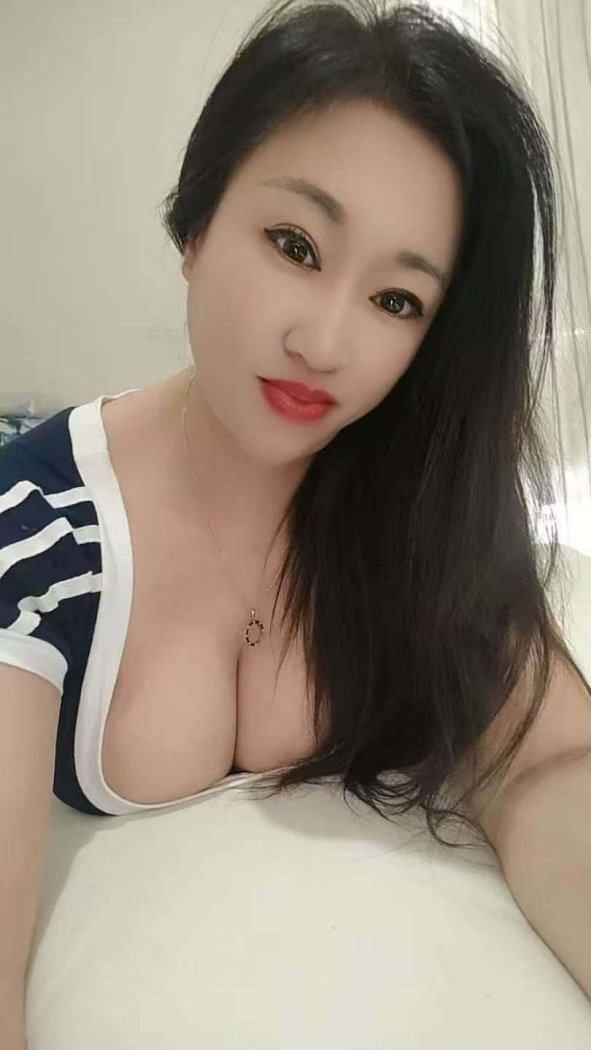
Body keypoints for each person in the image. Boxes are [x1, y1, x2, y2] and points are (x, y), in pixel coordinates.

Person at [2, 6, 591, 1023]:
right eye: (295, 244)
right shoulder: (37, 526)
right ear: (195, 224)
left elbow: (548, 761)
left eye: (397, 301)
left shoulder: (422, 508)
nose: (323, 344)